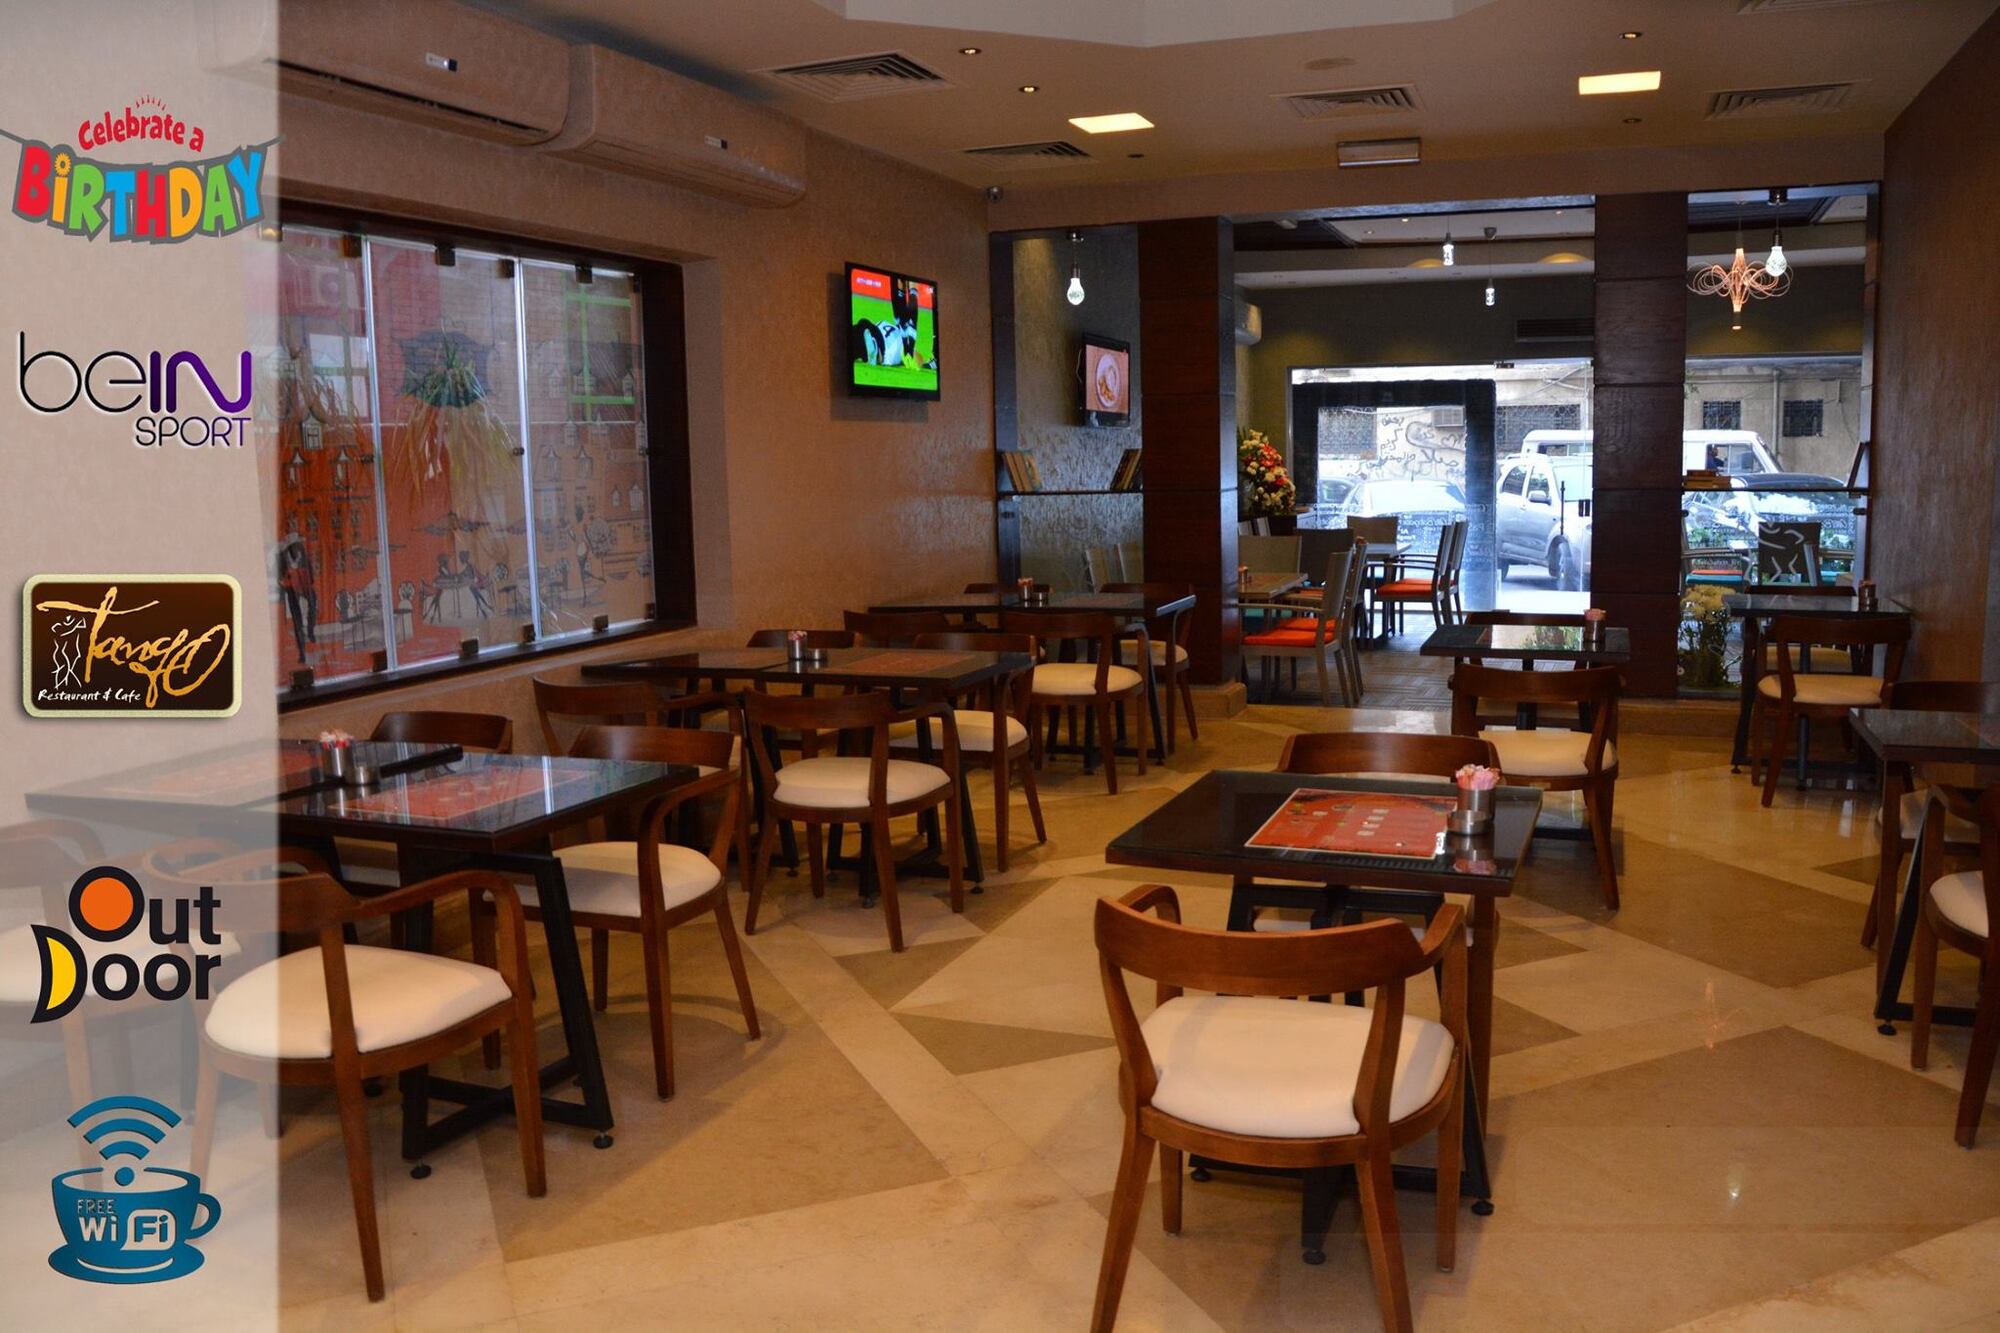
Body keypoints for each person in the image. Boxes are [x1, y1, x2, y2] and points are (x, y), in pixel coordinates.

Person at [277, 536, 318, 662]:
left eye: (297, 545)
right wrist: (286, 583)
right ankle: (302, 652)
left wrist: (307, 581)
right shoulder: (282, 557)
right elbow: (279, 576)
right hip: (291, 589)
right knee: (297, 621)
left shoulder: (303, 554)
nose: (296, 548)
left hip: (305, 585)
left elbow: (310, 572)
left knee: (313, 607)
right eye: (294, 545)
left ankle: (310, 631)